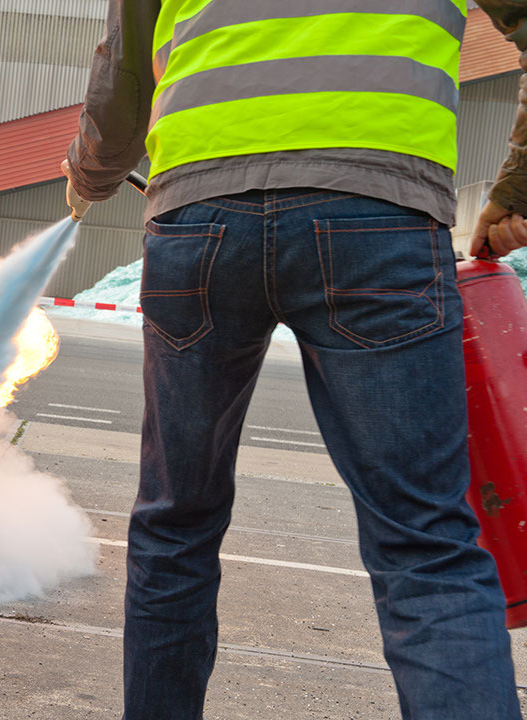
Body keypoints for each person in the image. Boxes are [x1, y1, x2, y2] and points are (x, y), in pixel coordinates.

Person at [61, 2, 527, 719]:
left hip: (201, 215)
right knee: (425, 547)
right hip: (379, 211)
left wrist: (92, 174)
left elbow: (124, 64)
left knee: (175, 524)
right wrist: (518, 187)